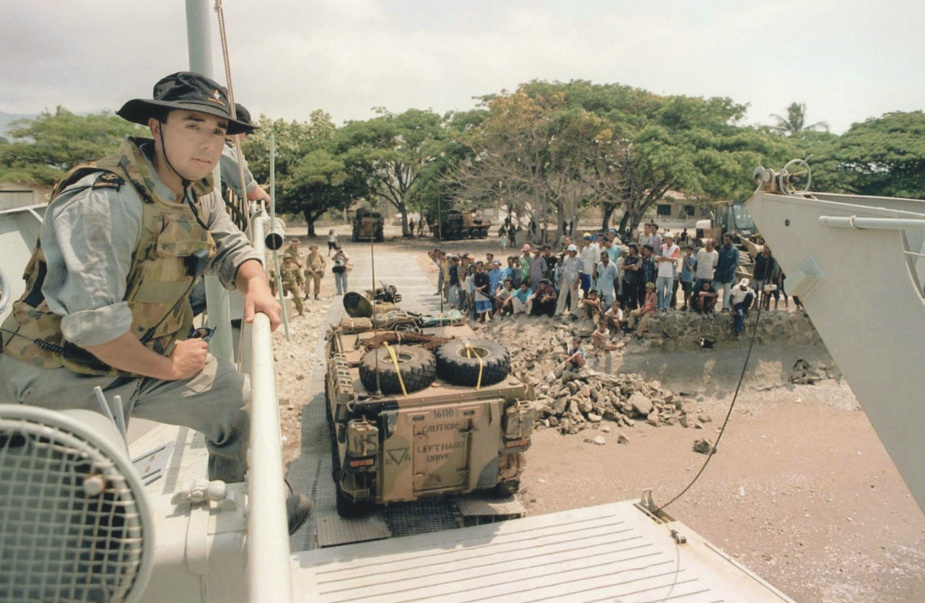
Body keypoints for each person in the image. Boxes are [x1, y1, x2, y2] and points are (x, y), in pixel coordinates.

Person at [0, 72, 311, 533]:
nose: (207, 145)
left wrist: (256, 282)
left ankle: (242, 513)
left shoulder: (196, 188)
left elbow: (229, 244)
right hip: (59, 372)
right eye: (192, 125)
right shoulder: (103, 201)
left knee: (235, 401)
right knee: (92, 510)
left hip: (137, 358)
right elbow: (94, 330)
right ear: (155, 127)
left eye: (218, 132)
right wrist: (170, 368)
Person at [555, 244, 582, 317]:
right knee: (562, 295)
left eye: (571, 251)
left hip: (574, 280)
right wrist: (561, 279)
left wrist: (577, 281)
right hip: (565, 280)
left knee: (574, 297)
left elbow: (580, 270)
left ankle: (573, 312)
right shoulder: (566, 258)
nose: (570, 253)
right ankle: (558, 311)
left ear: (574, 252)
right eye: (569, 251)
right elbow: (563, 268)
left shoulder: (578, 259)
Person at [714, 234, 739, 310]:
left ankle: (725, 307)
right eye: (724, 240)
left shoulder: (734, 250)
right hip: (719, 273)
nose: (725, 241)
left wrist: (728, 271)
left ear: (731, 240)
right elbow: (718, 260)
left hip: (728, 274)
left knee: (727, 292)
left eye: (727, 240)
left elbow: (736, 262)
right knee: (714, 290)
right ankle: (713, 307)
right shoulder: (721, 248)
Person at [655, 232, 680, 311]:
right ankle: (661, 306)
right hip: (661, 272)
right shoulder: (662, 247)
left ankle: (666, 306)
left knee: (669, 291)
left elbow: (674, 259)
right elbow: (657, 258)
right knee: (660, 290)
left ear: (671, 239)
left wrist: (665, 258)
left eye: (667, 238)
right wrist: (668, 258)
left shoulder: (676, 248)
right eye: (665, 238)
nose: (665, 240)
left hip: (671, 273)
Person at [679, 245, 696, 310]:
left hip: (689, 278)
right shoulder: (685, 257)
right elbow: (682, 268)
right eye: (686, 250)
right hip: (684, 277)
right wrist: (681, 276)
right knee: (685, 292)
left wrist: (686, 261)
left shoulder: (692, 258)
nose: (687, 252)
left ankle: (690, 306)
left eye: (689, 251)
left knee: (689, 292)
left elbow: (690, 268)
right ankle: (685, 304)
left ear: (691, 251)